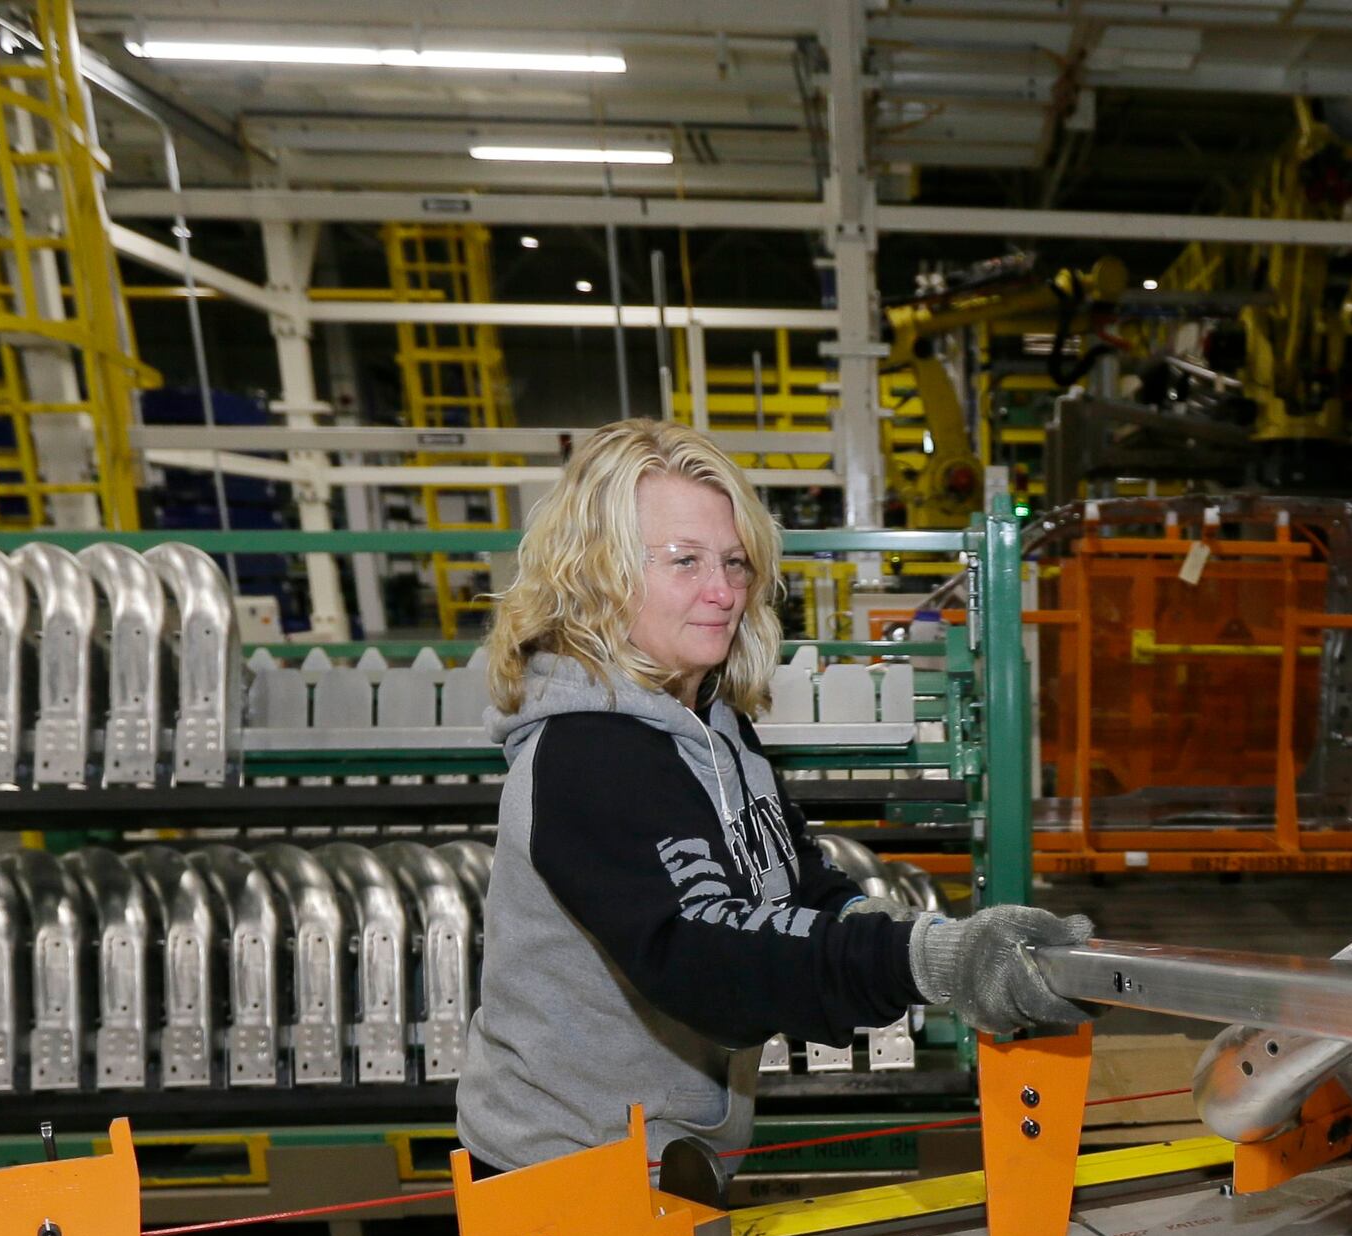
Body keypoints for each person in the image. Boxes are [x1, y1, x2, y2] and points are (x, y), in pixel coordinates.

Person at [456, 418, 1088, 1196]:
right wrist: (929, 962)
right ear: (597, 574)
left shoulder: (716, 725)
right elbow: (703, 958)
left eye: (734, 562)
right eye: (684, 561)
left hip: (666, 1153)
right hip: (561, 1175)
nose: (723, 593)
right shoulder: (589, 754)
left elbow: (798, 886)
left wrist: (937, 946)